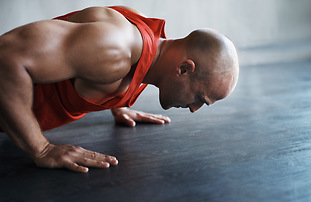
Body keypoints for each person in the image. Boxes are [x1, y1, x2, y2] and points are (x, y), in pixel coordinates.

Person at [0, 6, 239, 173]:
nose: (195, 109)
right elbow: (7, 58)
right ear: (184, 69)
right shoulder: (114, 49)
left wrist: (118, 102)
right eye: (200, 98)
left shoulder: (147, 48)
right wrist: (41, 149)